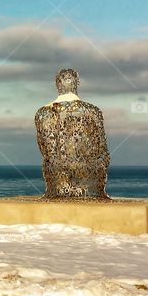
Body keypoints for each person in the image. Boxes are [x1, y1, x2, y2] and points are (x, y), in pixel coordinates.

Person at [34, 68, 111, 199]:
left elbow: (45, 149)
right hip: (90, 187)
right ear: (77, 83)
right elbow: (102, 150)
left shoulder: (42, 113)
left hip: (56, 186)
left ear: (57, 84)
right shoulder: (93, 111)